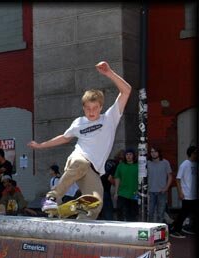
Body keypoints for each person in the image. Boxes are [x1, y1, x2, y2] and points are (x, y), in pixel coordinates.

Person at [27, 61, 132, 220]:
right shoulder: (79, 123)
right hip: (78, 159)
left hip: (93, 170)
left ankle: (67, 218)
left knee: (95, 204)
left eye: (95, 108)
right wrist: (41, 145)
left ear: (101, 107)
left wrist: (109, 73)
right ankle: (52, 198)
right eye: (88, 108)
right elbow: (64, 137)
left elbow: (126, 91)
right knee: (81, 163)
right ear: (83, 108)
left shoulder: (110, 118)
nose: (91, 112)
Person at [170, 145, 197, 238]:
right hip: (187, 194)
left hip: (194, 195)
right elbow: (178, 179)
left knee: (190, 212)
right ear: (192, 153)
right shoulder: (185, 164)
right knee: (184, 213)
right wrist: (180, 192)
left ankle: (189, 227)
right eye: (195, 153)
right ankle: (175, 230)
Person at [147, 147, 173, 223]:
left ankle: (159, 231)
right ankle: (150, 230)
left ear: (159, 152)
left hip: (162, 192)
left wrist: (166, 188)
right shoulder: (148, 163)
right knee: (150, 213)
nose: (153, 153)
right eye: (151, 152)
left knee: (160, 213)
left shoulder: (165, 162)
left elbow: (170, 176)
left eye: (155, 151)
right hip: (151, 192)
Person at [113, 148, 139, 222]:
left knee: (132, 214)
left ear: (133, 156)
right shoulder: (120, 166)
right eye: (127, 154)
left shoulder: (138, 166)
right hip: (122, 193)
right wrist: (116, 192)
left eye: (130, 154)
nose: (128, 156)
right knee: (120, 211)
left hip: (134, 193)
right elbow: (117, 178)